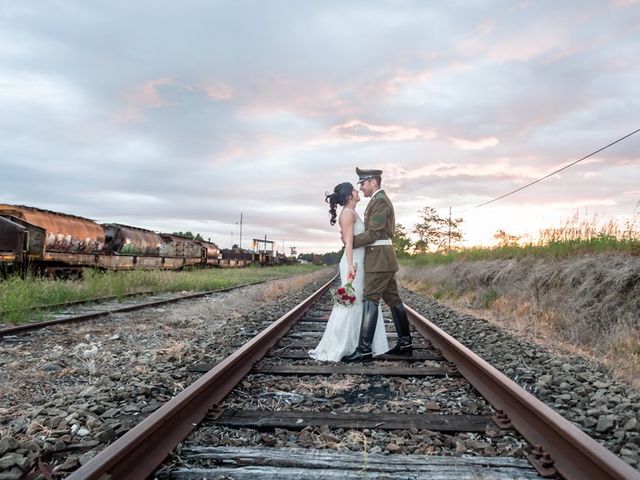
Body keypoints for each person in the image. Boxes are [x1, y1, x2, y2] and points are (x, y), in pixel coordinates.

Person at [309, 182, 389, 362]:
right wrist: (351, 265)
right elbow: (349, 242)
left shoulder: (352, 212)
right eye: (354, 189)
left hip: (359, 261)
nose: (357, 191)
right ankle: (343, 345)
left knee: (358, 301)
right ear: (348, 196)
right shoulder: (347, 213)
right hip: (353, 263)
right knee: (348, 303)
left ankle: (357, 344)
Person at [341, 168, 412, 362]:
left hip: (379, 260)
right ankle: (405, 344)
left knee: (370, 298)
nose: (361, 188)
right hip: (383, 259)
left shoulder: (380, 201)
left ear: (373, 182)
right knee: (393, 299)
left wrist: (350, 241)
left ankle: (364, 350)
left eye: (363, 184)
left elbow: (375, 232)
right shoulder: (377, 200)